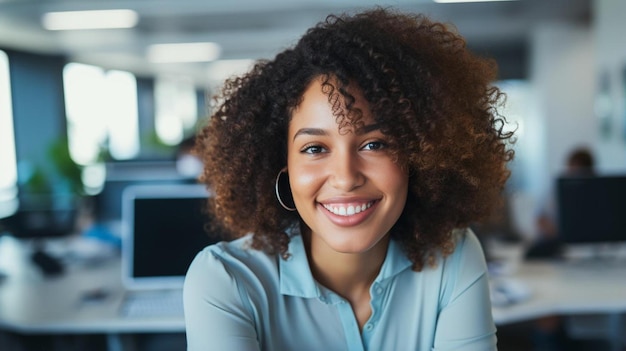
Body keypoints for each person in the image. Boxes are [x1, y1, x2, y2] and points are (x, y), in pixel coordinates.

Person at [184, 7, 514, 351]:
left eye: (374, 144)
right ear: (282, 166)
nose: (345, 178)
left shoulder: (452, 256)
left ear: (420, 157)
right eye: (314, 148)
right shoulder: (226, 280)